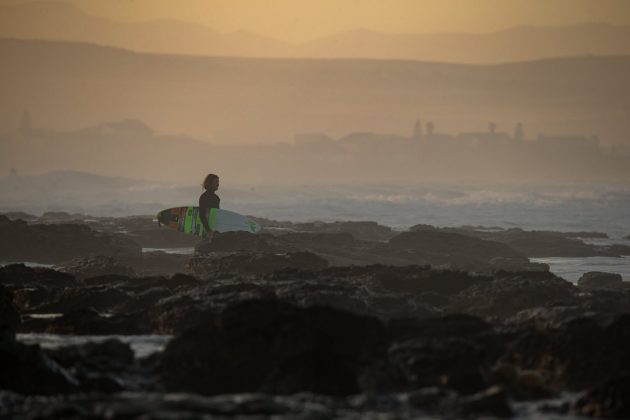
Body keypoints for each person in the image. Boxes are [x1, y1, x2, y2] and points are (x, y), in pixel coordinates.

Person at [199, 173, 220, 239]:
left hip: (214, 229)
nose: (218, 184)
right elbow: (202, 215)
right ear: (210, 183)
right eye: (216, 182)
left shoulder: (216, 197)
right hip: (208, 230)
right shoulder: (204, 197)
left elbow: (217, 214)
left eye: (218, 182)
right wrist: (208, 231)